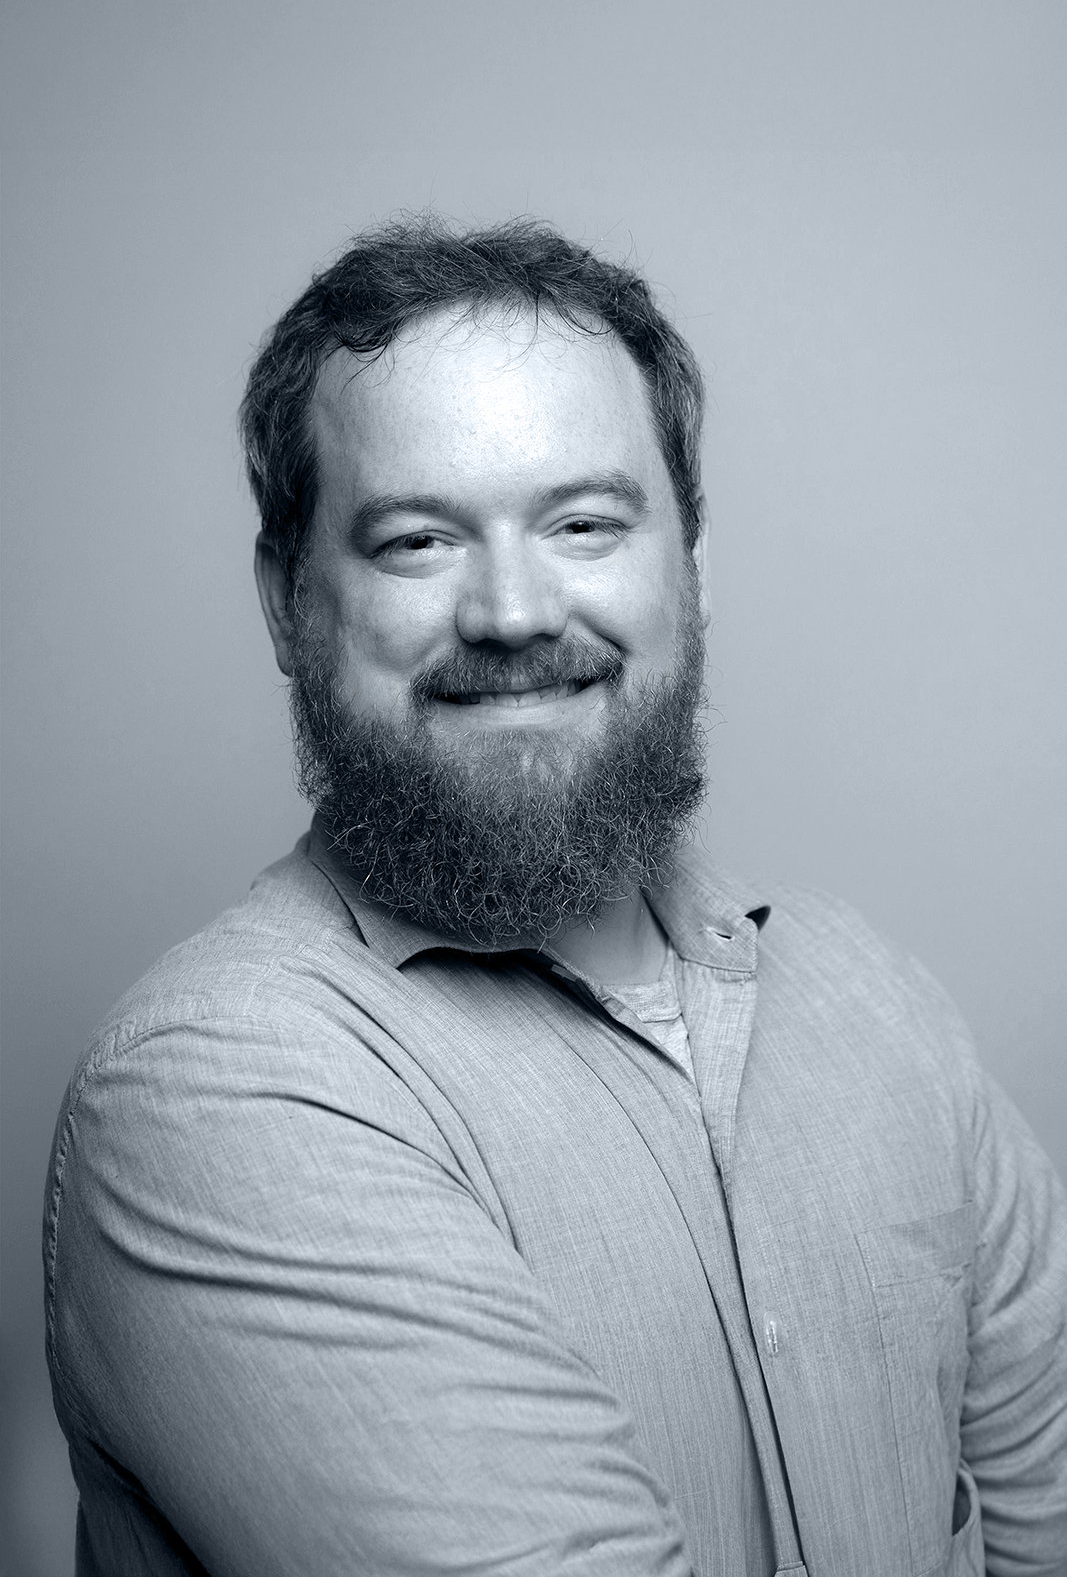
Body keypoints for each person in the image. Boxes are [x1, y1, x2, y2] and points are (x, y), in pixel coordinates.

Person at [45, 217, 1067, 1577]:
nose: (515, 610)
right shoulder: (212, 1091)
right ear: (291, 604)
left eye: (583, 523)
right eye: (416, 541)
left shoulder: (868, 996)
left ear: (685, 569)